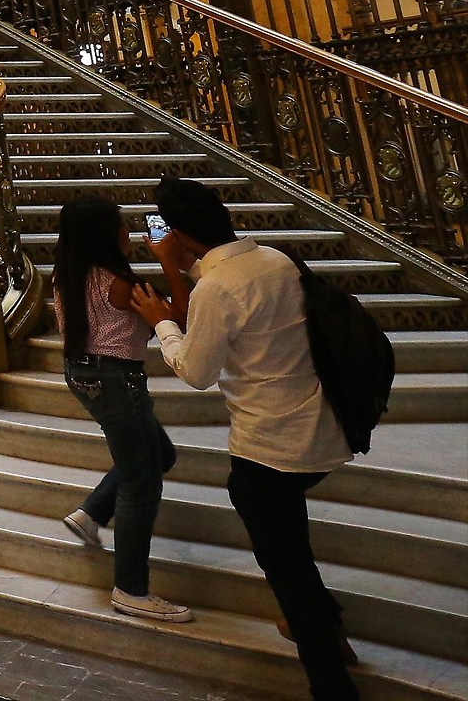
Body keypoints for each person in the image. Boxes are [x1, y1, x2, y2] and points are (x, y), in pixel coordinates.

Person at [133, 176, 358, 700]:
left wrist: (163, 324)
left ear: (182, 237)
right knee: (292, 547)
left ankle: (333, 684)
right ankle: (331, 633)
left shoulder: (217, 287)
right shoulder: (276, 261)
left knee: (285, 566)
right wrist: (177, 266)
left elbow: (195, 370)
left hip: (268, 446)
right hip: (318, 431)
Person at [51, 195, 187, 622]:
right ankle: (132, 589)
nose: (129, 233)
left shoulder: (68, 273)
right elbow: (178, 316)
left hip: (83, 374)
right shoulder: (119, 283)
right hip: (116, 380)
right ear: (105, 236)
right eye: (123, 226)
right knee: (141, 482)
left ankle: (92, 513)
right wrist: (169, 262)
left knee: (159, 454)